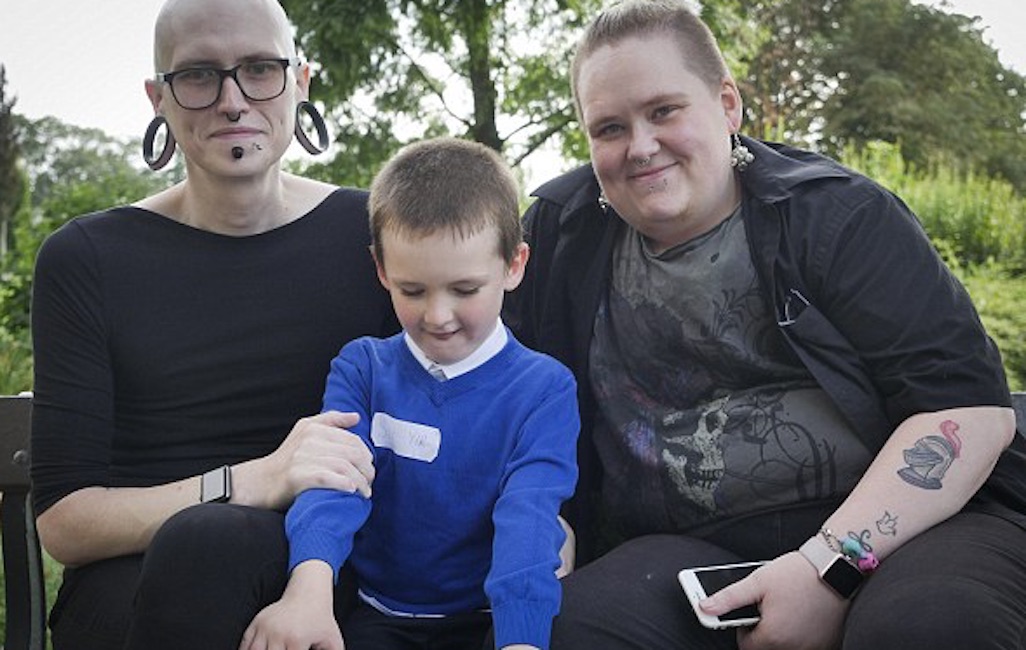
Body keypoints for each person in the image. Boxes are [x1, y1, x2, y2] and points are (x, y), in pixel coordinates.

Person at [503, 1, 1026, 649]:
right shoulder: (558, 236)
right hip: (691, 547)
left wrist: (827, 568)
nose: (640, 147)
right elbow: (480, 371)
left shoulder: (840, 217)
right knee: (564, 630)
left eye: (664, 111)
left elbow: (970, 413)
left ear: (727, 105)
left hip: (911, 526)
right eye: (609, 127)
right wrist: (535, 521)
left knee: (928, 626)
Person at [29, 0, 398, 648]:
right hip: (136, 592)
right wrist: (252, 481)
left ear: (300, 82)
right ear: (159, 98)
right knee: (204, 543)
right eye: (199, 75)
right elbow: (64, 522)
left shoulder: (375, 236)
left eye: (259, 69)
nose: (233, 101)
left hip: (327, 570)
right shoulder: (86, 259)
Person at [241, 136, 580, 650]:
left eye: (465, 290)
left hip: (491, 619)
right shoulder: (362, 368)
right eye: (413, 290)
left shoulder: (544, 388)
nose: (438, 316)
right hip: (380, 615)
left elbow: (528, 518)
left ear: (514, 265)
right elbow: (333, 485)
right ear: (381, 269)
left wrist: (522, 640)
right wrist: (307, 592)